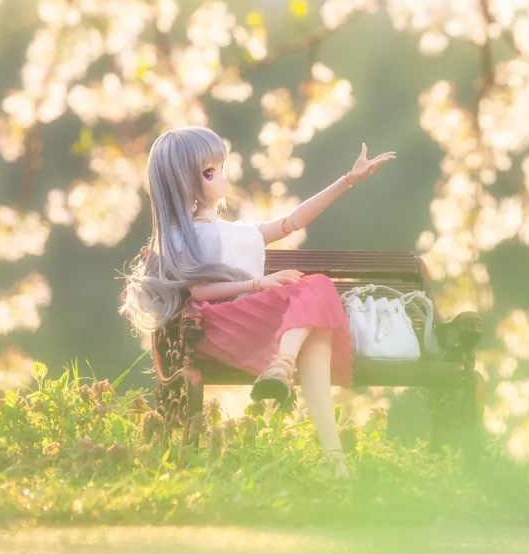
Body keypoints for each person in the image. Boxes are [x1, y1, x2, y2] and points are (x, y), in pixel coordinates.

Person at [120, 125, 395, 478]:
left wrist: (348, 180)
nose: (220, 177)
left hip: (250, 319)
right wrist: (258, 283)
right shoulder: (181, 237)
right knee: (318, 293)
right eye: (209, 172)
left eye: (219, 168)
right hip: (216, 325)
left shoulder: (238, 232)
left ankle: (333, 455)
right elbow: (200, 292)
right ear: (184, 183)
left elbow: (292, 222)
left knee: (317, 321)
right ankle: (287, 371)